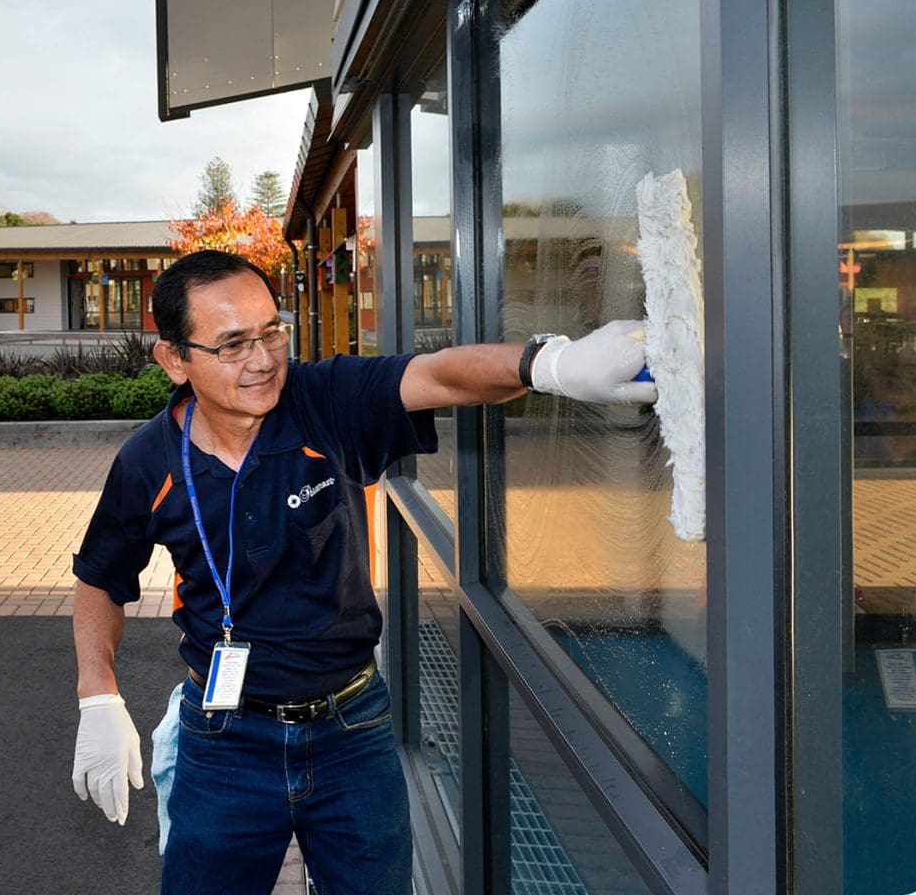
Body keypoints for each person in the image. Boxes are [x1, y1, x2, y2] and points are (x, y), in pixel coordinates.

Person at [70, 249, 656, 895]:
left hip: (352, 730)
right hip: (225, 742)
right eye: (233, 345)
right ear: (174, 359)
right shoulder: (148, 463)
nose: (263, 360)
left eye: (272, 332)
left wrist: (550, 365)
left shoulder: (326, 400)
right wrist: (99, 695)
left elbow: (440, 375)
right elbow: (100, 579)